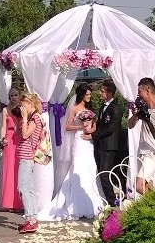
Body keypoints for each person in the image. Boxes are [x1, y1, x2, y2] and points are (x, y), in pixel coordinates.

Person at [38, 84, 106, 221]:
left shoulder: (90, 108)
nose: (89, 97)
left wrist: (91, 130)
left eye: (90, 94)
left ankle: (93, 199)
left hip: (88, 140)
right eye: (87, 94)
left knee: (90, 166)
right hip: (78, 139)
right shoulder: (74, 108)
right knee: (78, 167)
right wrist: (81, 126)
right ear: (81, 95)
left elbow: (94, 125)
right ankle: (76, 203)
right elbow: (67, 126)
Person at [14, 93, 46, 233]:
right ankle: (32, 219)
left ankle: (30, 220)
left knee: (23, 188)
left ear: (30, 104)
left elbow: (26, 134)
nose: (22, 108)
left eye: (23, 105)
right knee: (29, 189)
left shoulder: (35, 118)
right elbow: (18, 133)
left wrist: (25, 118)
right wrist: (20, 119)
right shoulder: (31, 118)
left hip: (27, 157)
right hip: (25, 156)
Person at [91, 79, 123, 205]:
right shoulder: (102, 107)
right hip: (101, 145)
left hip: (109, 146)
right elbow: (101, 124)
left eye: (102, 91)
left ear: (109, 93)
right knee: (101, 172)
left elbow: (111, 128)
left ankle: (112, 201)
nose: (100, 93)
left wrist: (94, 135)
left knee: (104, 174)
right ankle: (106, 199)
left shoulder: (116, 108)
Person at [0, 89, 24, 212]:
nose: (13, 97)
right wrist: (2, 140)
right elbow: (3, 127)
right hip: (9, 139)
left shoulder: (23, 108)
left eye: (16, 95)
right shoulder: (5, 109)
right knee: (9, 170)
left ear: (20, 96)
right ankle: (10, 203)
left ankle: (19, 203)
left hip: (20, 138)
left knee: (19, 170)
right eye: (11, 95)